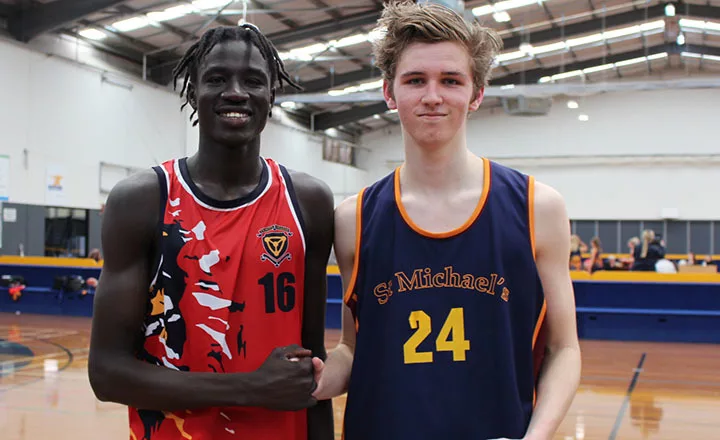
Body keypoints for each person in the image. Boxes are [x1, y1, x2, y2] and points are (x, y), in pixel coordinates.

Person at [311, 2, 581, 439]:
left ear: (476, 94)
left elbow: (563, 348)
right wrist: (313, 377)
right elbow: (354, 348)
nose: (432, 96)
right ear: (389, 91)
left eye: (451, 80)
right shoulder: (352, 218)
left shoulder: (537, 208)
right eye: (415, 80)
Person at [88, 25, 334, 440]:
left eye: (253, 80)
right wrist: (250, 388)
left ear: (271, 96)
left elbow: (312, 366)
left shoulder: (307, 201)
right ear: (192, 93)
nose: (236, 92)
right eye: (217, 78)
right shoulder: (142, 200)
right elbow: (107, 373)